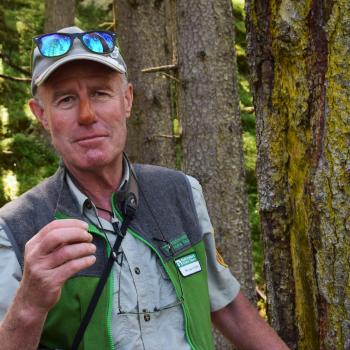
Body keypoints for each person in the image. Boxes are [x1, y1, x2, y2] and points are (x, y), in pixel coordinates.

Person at [0, 26, 288, 350]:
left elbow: (227, 305)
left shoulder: (181, 192)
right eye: (66, 99)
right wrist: (29, 305)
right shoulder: (15, 229)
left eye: (100, 93)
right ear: (41, 114)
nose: (86, 114)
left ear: (127, 100)